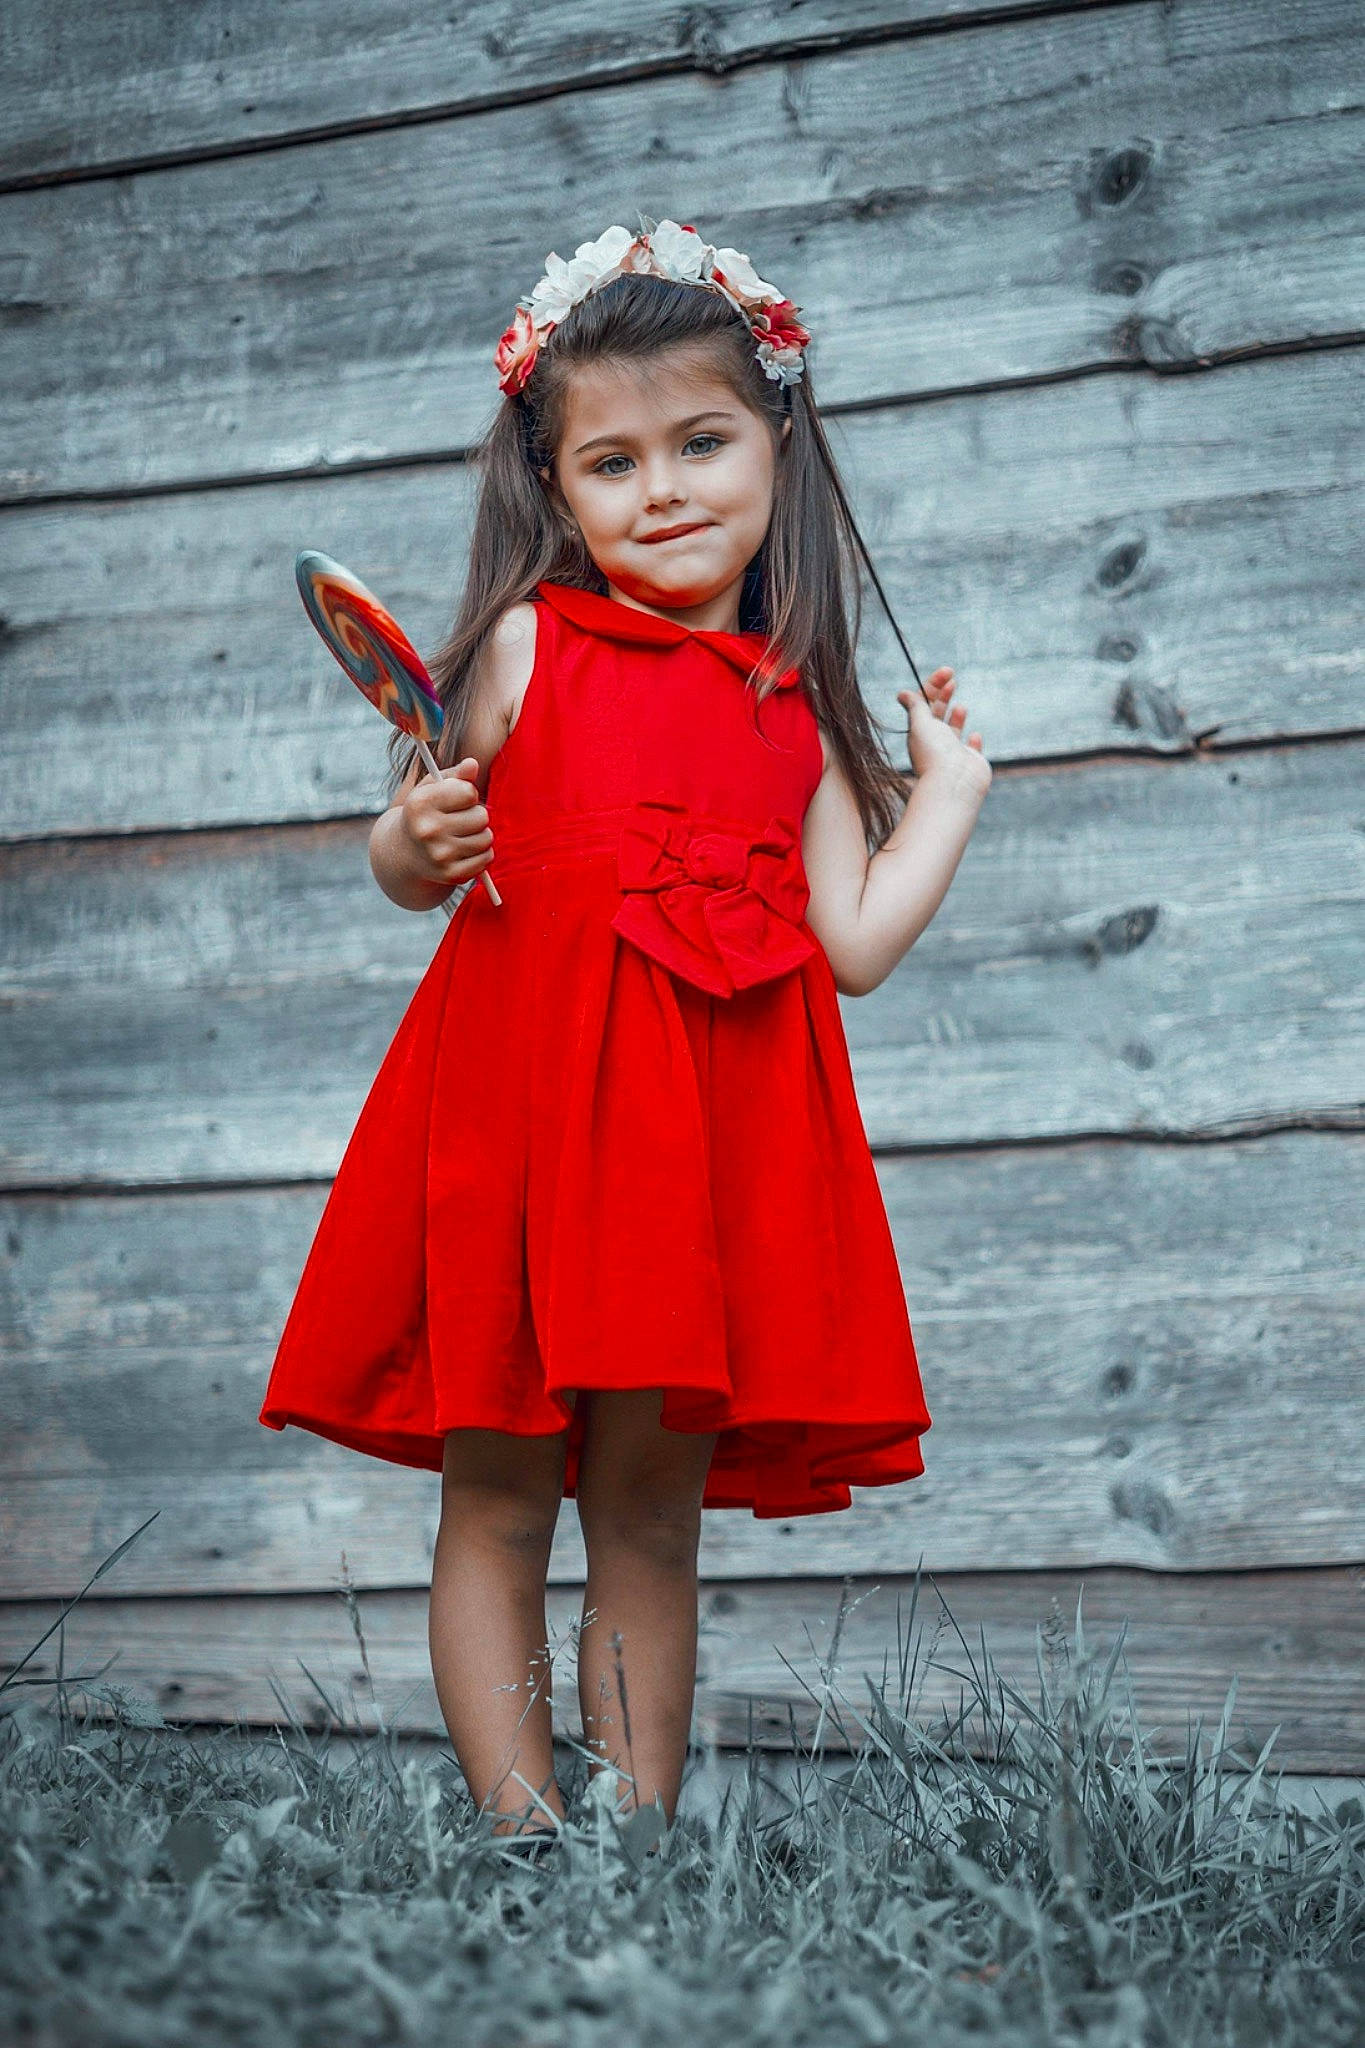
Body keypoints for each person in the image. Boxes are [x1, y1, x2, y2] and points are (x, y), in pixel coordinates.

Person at [259, 217, 991, 1849]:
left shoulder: (796, 713)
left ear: (776, 447)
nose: (660, 490)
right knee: (501, 1490)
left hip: (693, 1175)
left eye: (700, 442)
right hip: (520, 1140)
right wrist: (413, 845)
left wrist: (947, 796)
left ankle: (633, 1848)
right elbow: (415, 845)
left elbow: (854, 947)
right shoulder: (530, 644)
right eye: (611, 462)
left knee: (652, 1512)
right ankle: (523, 1841)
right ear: (556, 489)